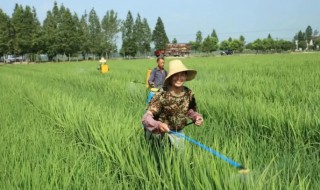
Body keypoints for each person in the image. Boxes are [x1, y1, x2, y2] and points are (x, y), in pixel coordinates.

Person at [142, 59, 203, 149]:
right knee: (158, 159)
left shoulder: (188, 93)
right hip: (159, 134)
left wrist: (196, 117)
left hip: (178, 133)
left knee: (178, 159)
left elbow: (190, 110)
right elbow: (146, 118)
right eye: (175, 75)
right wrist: (158, 125)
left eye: (182, 74)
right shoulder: (162, 94)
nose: (179, 78)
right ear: (170, 77)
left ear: (185, 76)